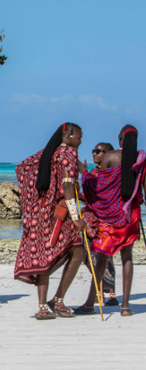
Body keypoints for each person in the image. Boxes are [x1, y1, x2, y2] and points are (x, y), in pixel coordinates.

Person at [14, 123, 87, 320]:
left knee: (44, 256)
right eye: (79, 137)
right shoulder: (69, 153)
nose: (80, 141)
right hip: (61, 214)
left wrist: (38, 198)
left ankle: (43, 307)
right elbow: (68, 187)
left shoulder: (47, 153)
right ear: (69, 137)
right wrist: (77, 217)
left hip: (42, 212)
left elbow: (22, 168)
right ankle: (58, 300)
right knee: (78, 252)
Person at [76, 125, 146, 317]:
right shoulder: (141, 159)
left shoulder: (110, 156)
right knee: (127, 258)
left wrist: (84, 173)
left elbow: (99, 188)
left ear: (120, 137)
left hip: (110, 217)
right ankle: (125, 307)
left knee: (102, 258)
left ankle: (90, 303)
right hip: (131, 214)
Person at [80, 143, 118, 306]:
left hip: (105, 219)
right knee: (90, 256)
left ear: (108, 154)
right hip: (90, 220)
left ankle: (111, 294)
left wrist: (83, 173)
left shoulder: (111, 173)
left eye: (98, 151)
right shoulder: (94, 172)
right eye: (93, 151)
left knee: (105, 256)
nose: (94, 154)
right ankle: (99, 290)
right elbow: (90, 195)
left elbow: (100, 196)